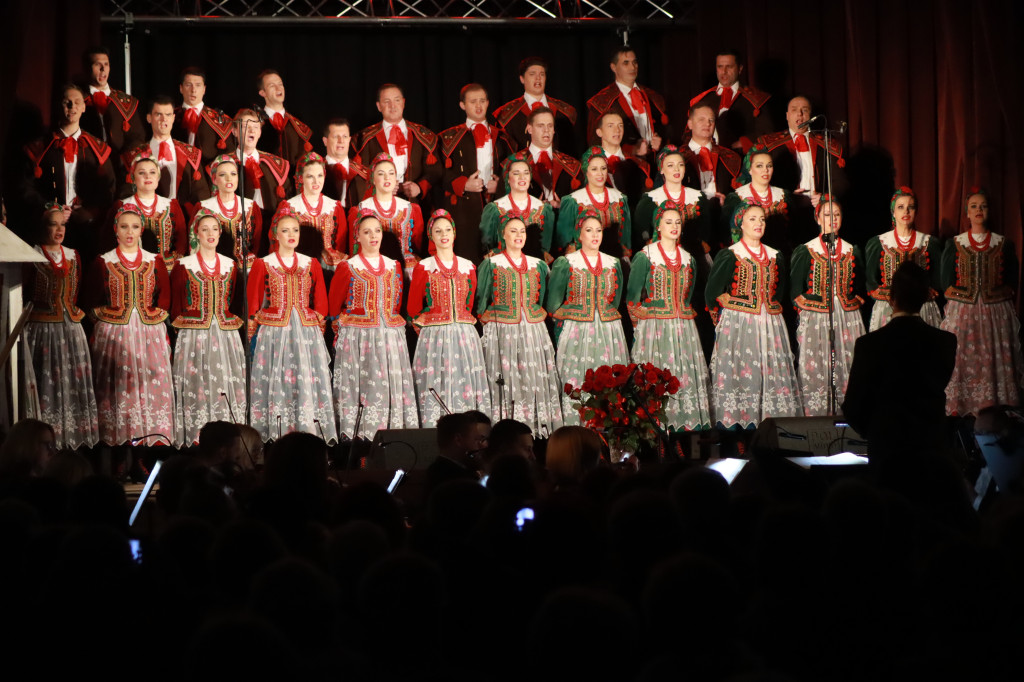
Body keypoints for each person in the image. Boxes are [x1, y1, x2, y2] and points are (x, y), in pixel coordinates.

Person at [843, 261, 957, 460]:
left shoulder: (869, 344)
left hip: (887, 449)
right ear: (925, 297)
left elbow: (853, 406)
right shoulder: (945, 341)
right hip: (931, 449)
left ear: (890, 298)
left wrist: (876, 432)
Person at [706, 201, 802, 428]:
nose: (758, 223)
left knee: (769, 373)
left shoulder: (775, 255)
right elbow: (713, 292)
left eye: (762, 219)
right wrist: (725, 318)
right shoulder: (731, 254)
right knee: (742, 373)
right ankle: (739, 429)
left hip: (769, 323)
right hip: (740, 323)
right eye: (752, 219)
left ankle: (768, 427)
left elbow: (779, 291)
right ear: (740, 223)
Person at [85, 203, 175, 446]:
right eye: (124, 226)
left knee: (148, 390)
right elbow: (91, 300)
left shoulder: (153, 260)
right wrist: (102, 325)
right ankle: (117, 449)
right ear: (116, 230)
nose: (129, 232)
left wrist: (157, 321)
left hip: (148, 333)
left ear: (141, 230)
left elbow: (164, 296)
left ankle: (148, 449)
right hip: (116, 334)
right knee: (117, 392)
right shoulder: (104, 261)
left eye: (134, 227)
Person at [247, 206, 336, 443]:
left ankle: (308, 431)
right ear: (275, 234)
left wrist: (319, 319)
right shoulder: (263, 263)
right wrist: (252, 323)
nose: (291, 235)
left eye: (294, 230)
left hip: (305, 330)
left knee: (304, 377)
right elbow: (253, 299)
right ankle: (277, 434)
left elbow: (320, 299)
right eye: (285, 230)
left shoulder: (310, 263)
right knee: (277, 378)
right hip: (274, 330)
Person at [330, 211, 418, 439]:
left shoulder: (393, 266)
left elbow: (397, 303)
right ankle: (360, 442)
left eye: (377, 231)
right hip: (359, 338)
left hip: (389, 336)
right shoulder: (348, 266)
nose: (373, 236)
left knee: (387, 387)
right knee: (363, 388)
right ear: (357, 236)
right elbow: (333, 307)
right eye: (366, 232)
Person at [626, 202, 712, 431]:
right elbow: (632, 296)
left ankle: (682, 431)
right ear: (659, 226)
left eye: (677, 222)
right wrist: (639, 325)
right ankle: (656, 433)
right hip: (655, 327)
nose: (674, 226)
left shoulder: (688, 258)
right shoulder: (646, 255)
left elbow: (689, 293)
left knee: (682, 378)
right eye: (668, 222)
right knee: (656, 377)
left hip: (683, 327)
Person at [476, 215, 563, 436]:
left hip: (533, 330)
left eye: (522, 231)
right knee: (506, 377)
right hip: (503, 331)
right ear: (502, 235)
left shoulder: (539, 265)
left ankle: (536, 430)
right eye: (513, 231)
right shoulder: (492, 264)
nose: (518, 235)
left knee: (532, 377)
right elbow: (482, 300)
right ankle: (504, 430)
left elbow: (542, 296)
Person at [940, 188, 1023, 415]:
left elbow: (1012, 280)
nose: (979, 210)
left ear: (989, 211)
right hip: (963, 312)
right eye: (974, 206)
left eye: (983, 206)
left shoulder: (1003, 244)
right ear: (967, 212)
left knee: (994, 360)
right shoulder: (956, 244)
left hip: (996, 313)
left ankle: (996, 406)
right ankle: (963, 408)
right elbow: (945, 281)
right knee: (963, 360)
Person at [23, 205, 99, 451]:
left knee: (68, 383)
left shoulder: (73, 255)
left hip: (68, 330)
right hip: (41, 329)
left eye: (62, 224)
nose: (58, 230)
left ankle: (69, 443)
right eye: (52, 224)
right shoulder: (32, 254)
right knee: (46, 382)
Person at [170, 209, 247, 448]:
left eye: (215, 229)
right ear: (197, 234)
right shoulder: (184, 265)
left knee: (224, 382)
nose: (210, 234)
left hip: (224, 335)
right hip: (194, 335)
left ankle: (227, 439)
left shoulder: (230, 265)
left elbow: (233, 298)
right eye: (205, 229)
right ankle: (196, 438)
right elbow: (176, 303)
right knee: (197, 384)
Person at [408, 210, 492, 428]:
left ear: (454, 234)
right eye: (438, 231)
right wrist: (429, 328)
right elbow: (413, 309)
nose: (443, 234)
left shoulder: (468, 266)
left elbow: (470, 301)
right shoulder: (424, 267)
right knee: (438, 381)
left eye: (447, 230)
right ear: (431, 237)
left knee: (464, 381)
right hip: (435, 336)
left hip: (465, 335)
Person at [546, 211, 629, 425]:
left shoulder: (613, 263)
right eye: (589, 230)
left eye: (598, 231)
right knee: (577, 381)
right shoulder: (567, 262)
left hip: (609, 331)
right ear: (579, 235)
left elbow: (616, 298)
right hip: (577, 331)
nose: (595, 235)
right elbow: (554, 303)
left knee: (609, 382)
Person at [790, 197, 866, 416]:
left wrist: (855, 300)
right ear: (818, 218)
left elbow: (860, 282)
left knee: (848, 365)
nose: (832, 219)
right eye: (827, 214)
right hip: (817, 316)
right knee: (816, 366)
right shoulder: (807, 250)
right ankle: (817, 415)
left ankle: (849, 414)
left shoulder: (851, 249)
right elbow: (795, 290)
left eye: (836, 214)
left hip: (847, 316)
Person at [24, 83, 116, 260]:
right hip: (48, 230)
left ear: (83, 107)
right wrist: (50, 209)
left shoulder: (98, 149)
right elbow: (25, 187)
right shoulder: (40, 147)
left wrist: (90, 212)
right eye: (67, 102)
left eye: (76, 102)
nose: (72, 107)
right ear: (59, 106)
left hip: (87, 230)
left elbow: (109, 189)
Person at [439, 84, 515, 262]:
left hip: (497, 206)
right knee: (467, 259)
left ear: (488, 103)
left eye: (482, 101)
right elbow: (438, 172)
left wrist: (501, 184)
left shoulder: (503, 138)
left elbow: (514, 169)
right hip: (464, 210)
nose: (478, 105)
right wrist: (463, 184)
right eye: (473, 101)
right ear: (462, 105)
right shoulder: (448, 138)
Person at [865, 186, 942, 330]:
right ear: (893, 212)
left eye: (910, 207)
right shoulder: (879, 242)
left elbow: (937, 278)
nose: (906, 211)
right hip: (888, 308)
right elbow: (871, 280)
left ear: (916, 211)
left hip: (921, 308)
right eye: (901, 207)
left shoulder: (929, 242)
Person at [353, 84, 441, 207]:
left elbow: (435, 171)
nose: (392, 106)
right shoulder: (364, 138)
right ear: (379, 106)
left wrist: (420, 187)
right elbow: (360, 175)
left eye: (397, 100)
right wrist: (379, 188)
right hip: (379, 204)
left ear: (403, 103)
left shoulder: (423, 135)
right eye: (386, 101)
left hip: (416, 204)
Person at [124, 96, 208, 210]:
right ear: (149, 118)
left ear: (173, 118)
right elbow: (126, 194)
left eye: (168, 115)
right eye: (158, 114)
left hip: (181, 220)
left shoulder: (191, 153)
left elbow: (201, 194)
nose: (164, 119)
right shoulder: (134, 155)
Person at [755, 96, 846, 201]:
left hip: (818, 210)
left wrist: (823, 198)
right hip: (782, 209)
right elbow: (757, 181)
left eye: (805, 110)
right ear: (787, 116)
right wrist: (786, 195)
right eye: (794, 110)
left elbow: (841, 182)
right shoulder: (769, 145)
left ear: (811, 116)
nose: (800, 113)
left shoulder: (826, 144)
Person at [111, 148, 187, 273]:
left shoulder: (171, 205)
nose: (147, 176)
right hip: (131, 269)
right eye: (141, 173)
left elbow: (181, 240)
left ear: (158, 177)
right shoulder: (122, 206)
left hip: (168, 269)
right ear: (133, 177)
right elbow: (109, 241)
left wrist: (174, 264)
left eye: (152, 172)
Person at [349, 153, 424, 277]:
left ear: (396, 179)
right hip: (372, 269)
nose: (386, 178)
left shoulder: (410, 209)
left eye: (391, 173)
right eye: (381, 174)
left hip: (407, 270)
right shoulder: (360, 210)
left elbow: (417, 243)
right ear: (373, 179)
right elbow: (355, 248)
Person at [586, 45, 668, 156]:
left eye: (635, 62)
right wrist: (632, 150)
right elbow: (595, 145)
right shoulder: (602, 102)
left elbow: (666, 132)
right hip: (623, 167)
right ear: (613, 67)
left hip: (654, 165)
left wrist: (659, 143)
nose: (632, 67)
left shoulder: (653, 96)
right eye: (626, 63)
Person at [688, 49, 773, 154]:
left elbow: (767, 133)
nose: (724, 71)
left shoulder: (756, 99)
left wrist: (745, 142)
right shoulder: (704, 99)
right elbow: (688, 133)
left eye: (729, 66)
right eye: (720, 67)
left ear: (740, 69)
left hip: (744, 158)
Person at [277, 151, 348, 276]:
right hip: (298, 265)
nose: (316, 181)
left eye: (320, 176)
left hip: (330, 267)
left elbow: (340, 243)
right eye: (310, 176)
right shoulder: (289, 207)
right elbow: (278, 242)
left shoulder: (334, 207)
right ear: (301, 178)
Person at [492, 56, 579, 156]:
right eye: (532, 74)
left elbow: (574, 153)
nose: (538, 78)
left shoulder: (565, 113)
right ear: (522, 79)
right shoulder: (506, 116)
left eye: (542, 74)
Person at [555, 146, 632, 258]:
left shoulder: (619, 198)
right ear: (586, 171)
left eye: (603, 168)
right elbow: (564, 242)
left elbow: (625, 238)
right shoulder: (573, 201)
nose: (600, 173)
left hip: (614, 260)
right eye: (594, 169)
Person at [79, 46, 146, 171]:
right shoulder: (78, 101)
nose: (103, 69)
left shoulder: (126, 102)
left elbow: (137, 138)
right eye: (97, 65)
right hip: (87, 167)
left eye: (106, 64)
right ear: (87, 68)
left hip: (120, 168)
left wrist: (123, 161)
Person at [633, 145, 709, 256]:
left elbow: (706, 232)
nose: (676, 169)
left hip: (693, 256)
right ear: (662, 169)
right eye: (670, 165)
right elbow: (641, 234)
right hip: (659, 256)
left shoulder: (698, 198)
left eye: (680, 165)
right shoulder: (650, 199)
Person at [480, 151, 555, 259]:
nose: (522, 177)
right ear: (508, 179)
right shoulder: (495, 208)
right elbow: (487, 245)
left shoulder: (543, 209)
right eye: (516, 173)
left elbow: (545, 247)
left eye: (526, 173)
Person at [721, 146, 793, 254]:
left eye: (769, 166)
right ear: (750, 169)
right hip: (746, 254)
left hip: (780, 254)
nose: (765, 170)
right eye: (759, 166)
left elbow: (793, 231)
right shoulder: (736, 197)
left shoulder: (783, 195)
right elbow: (726, 233)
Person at [233, 108, 292, 239]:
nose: (251, 130)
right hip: (237, 230)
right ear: (235, 131)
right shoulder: (225, 164)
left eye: (255, 126)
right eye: (245, 126)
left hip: (268, 229)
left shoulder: (277, 165)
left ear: (259, 132)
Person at [194, 153, 262, 266]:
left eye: (233, 174)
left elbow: (257, 242)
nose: (228, 178)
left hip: (247, 268)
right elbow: (195, 244)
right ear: (214, 179)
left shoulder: (250, 206)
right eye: (222, 174)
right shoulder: (204, 207)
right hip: (214, 266)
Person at [682, 104, 743, 226]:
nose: (707, 124)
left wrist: (728, 203)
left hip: (724, 219)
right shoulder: (678, 158)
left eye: (711, 120)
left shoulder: (730, 157)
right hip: (689, 220)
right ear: (690, 124)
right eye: (701, 119)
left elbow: (741, 192)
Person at [173, 66, 237, 167]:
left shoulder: (220, 120)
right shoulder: (170, 117)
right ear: (181, 88)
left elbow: (229, 154)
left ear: (204, 89)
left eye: (198, 85)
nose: (193, 90)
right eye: (188, 85)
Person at [524, 107, 582, 213]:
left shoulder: (572, 165)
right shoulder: (513, 163)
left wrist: (564, 207)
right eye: (540, 126)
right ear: (530, 128)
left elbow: (582, 204)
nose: (546, 130)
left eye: (550, 126)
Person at [255, 69, 314, 169]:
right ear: (262, 93)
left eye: (280, 84)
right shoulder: (255, 124)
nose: (278, 88)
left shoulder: (299, 127)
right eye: (272, 85)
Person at [593, 111, 653, 208]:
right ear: (599, 132)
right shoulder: (588, 166)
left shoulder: (640, 165)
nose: (617, 130)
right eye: (610, 126)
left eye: (620, 125)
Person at [321, 118, 364, 212]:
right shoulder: (314, 170)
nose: (341, 141)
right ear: (325, 141)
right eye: (336, 136)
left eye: (345, 136)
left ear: (349, 140)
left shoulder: (364, 174)